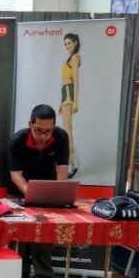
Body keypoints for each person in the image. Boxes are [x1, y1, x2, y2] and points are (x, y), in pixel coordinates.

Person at [8, 104, 70, 278]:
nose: (43, 135)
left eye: (47, 131)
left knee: (43, 236)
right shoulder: (17, 140)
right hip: (19, 191)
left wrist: (59, 193)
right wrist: (30, 194)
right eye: (38, 130)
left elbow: (62, 170)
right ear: (30, 125)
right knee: (20, 236)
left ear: (54, 126)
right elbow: (15, 175)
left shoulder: (60, 137)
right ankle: (19, 275)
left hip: (47, 190)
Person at [59, 33, 81, 177]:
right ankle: (72, 163)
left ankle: (72, 164)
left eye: (69, 43)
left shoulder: (75, 57)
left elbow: (76, 80)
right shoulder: (70, 57)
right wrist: (61, 102)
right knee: (67, 130)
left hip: (69, 92)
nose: (67, 46)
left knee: (67, 131)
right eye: (65, 44)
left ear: (75, 43)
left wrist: (75, 101)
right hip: (65, 93)